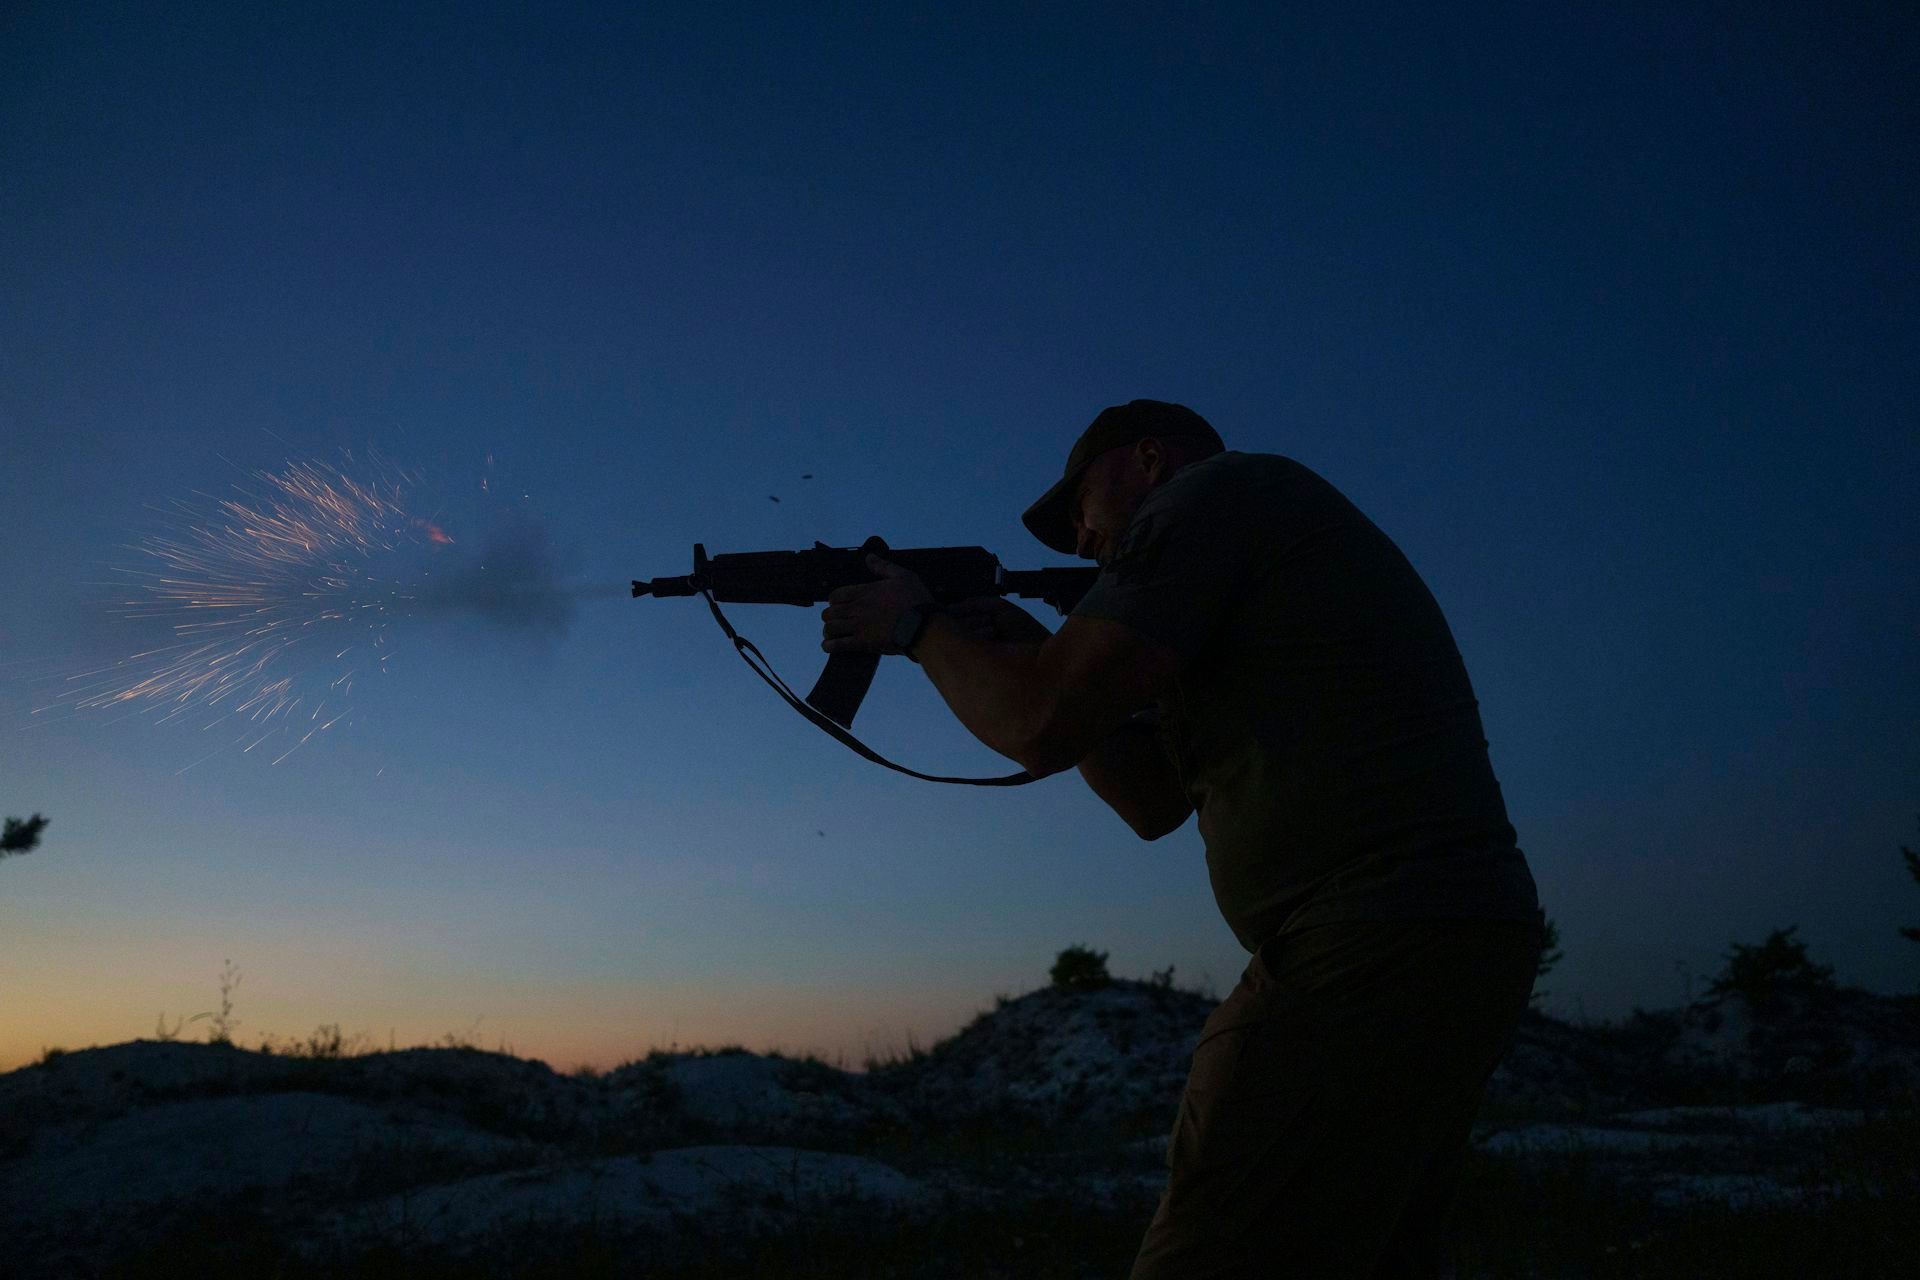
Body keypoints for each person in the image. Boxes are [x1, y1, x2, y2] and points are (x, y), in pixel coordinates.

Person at [820, 399, 1544, 1278]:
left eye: (1080, 510)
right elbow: (1150, 801)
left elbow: (1038, 724)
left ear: (1151, 460)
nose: (1082, 543)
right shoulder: (1244, 558)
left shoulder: (1216, 496)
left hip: (1367, 935)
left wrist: (918, 627)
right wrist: (1025, 646)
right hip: (1426, 932)